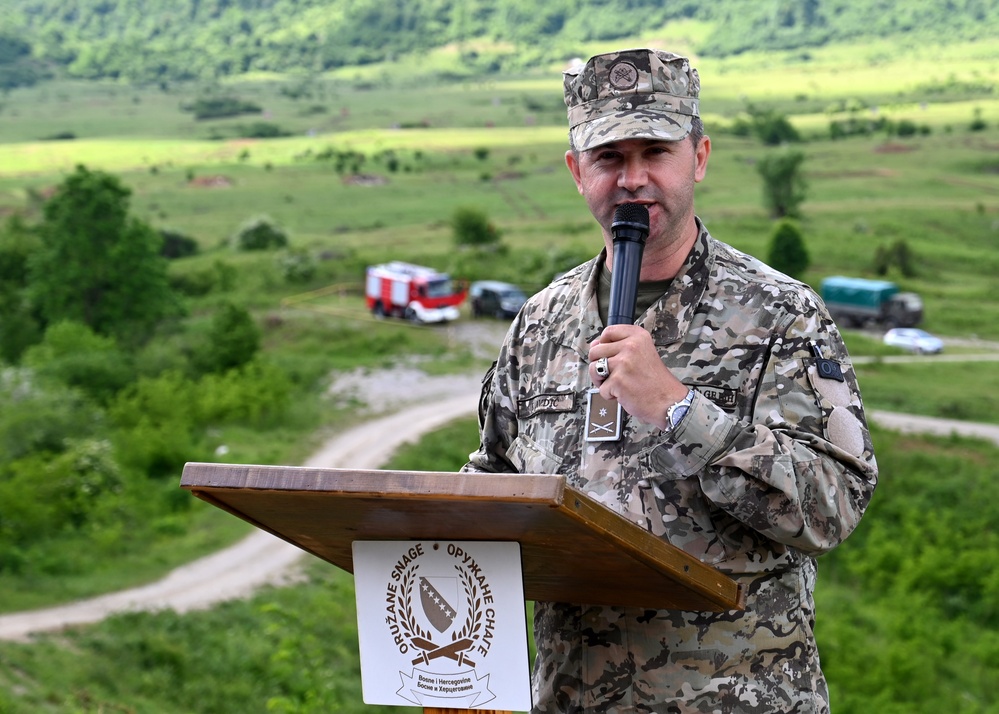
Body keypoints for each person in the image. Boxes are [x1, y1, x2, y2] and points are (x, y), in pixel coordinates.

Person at [462, 48, 878, 713]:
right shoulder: (539, 321)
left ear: (698, 157)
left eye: (653, 152)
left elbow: (832, 504)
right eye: (608, 158)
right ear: (576, 172)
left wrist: (681, 411)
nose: (632, 179)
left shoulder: (779, 314)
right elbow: (492, 484)